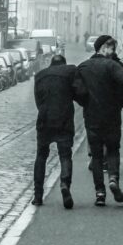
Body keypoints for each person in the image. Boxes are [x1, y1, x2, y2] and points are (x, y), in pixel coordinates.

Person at [77, 34, 123, 207]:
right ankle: (113, 179)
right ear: (103, 48)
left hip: (92, 117)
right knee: (113, 150)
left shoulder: (83, 67)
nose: (113, 52)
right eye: (111, 48)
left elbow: (78, 92)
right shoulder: (113, 66)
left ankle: (100, 193)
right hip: (111, 116)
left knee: (96, 156)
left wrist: (87, 104)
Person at [33, 54, 86, 208]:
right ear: (64, 63)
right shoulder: (70, 71)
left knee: (41, 156)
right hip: (63, 118)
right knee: (65, 155)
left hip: (44, 118)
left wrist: (44, 110)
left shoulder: (40, 75)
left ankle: (37, 196)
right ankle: (64, 184)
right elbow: (80, 92)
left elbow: (38, 99)